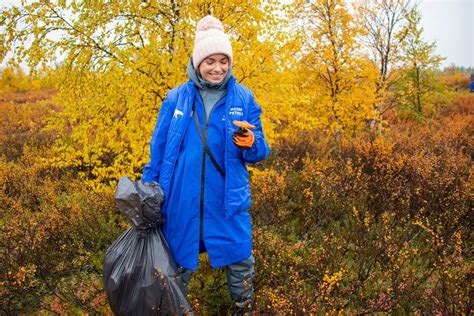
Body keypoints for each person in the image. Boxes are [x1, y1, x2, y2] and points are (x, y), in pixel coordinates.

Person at [141, 15, 271, 313]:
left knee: (240, 258)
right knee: (175, 262)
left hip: (226, 198)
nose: (217, 68)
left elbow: (260, 151)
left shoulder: (244, 97)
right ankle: (175, 309)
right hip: (180, 200)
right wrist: (149, 188)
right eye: (210, 61)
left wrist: (252, 145)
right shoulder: (176, 98)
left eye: (223, 61)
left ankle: (244, 307)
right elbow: (158, 149)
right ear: (197, 62)